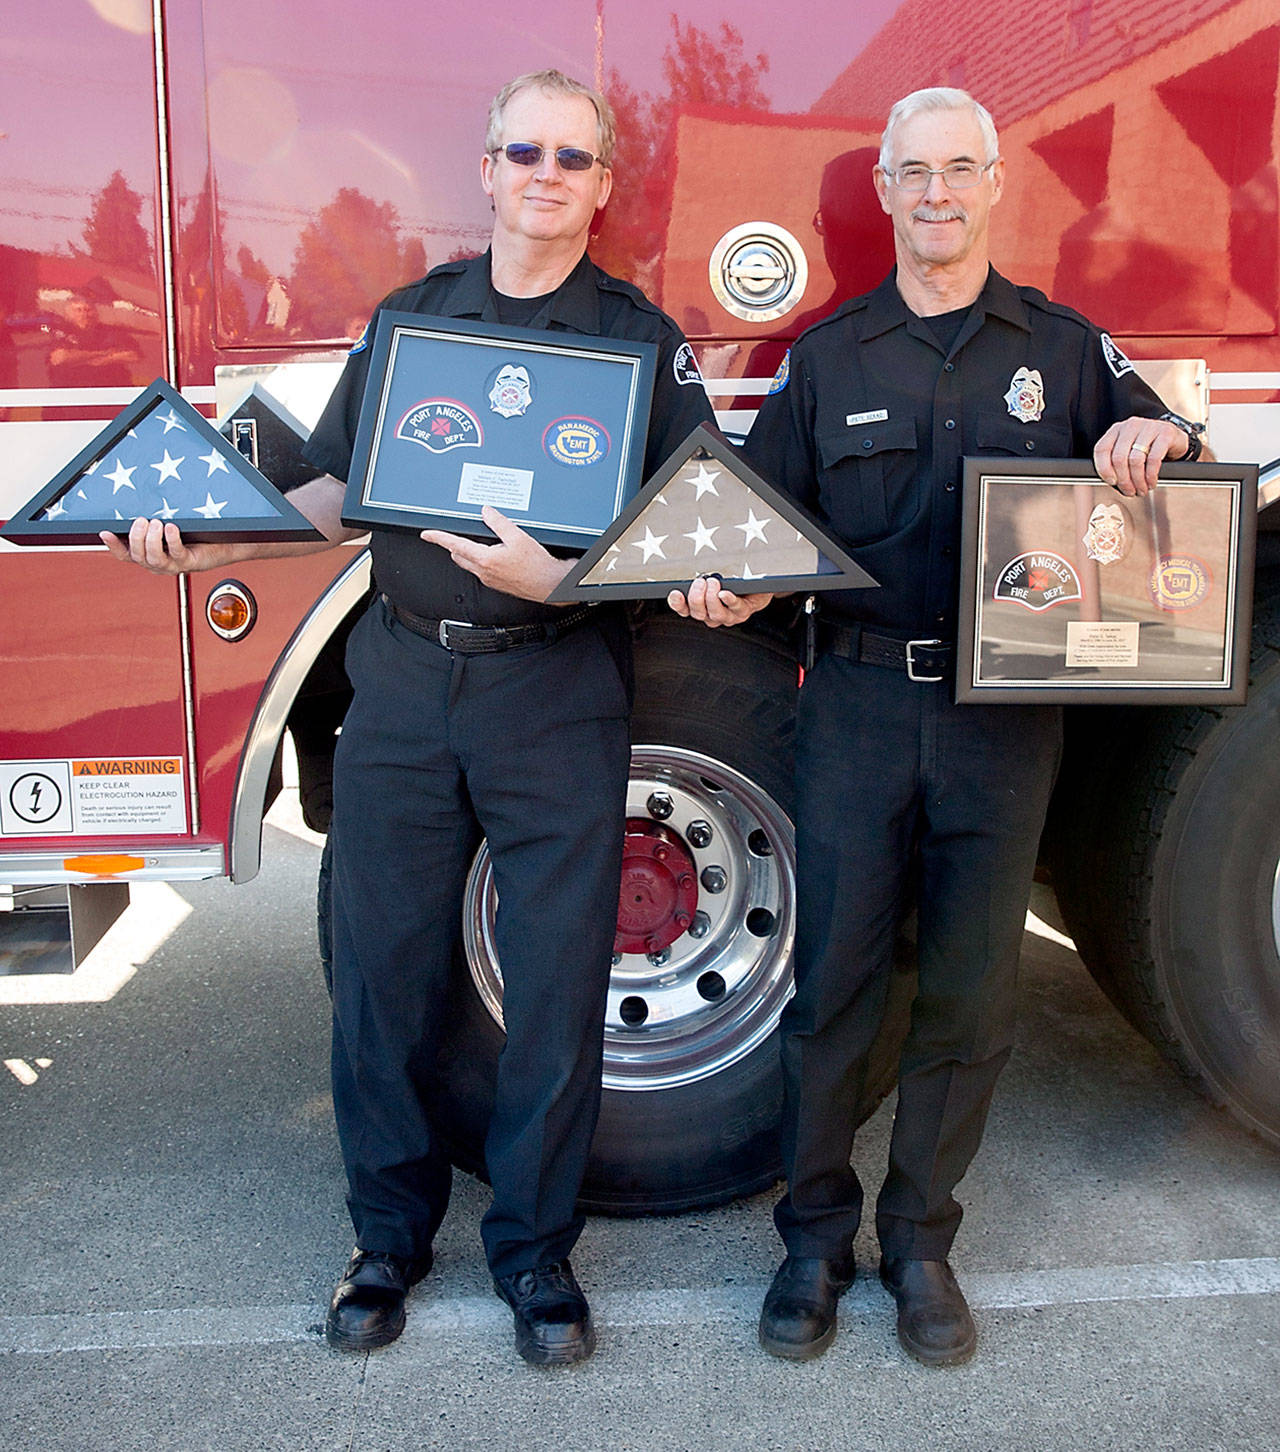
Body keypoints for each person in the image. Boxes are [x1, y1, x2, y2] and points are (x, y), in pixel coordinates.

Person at [102, 68, 713, 1366]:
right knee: (379, 977)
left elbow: (694, 527)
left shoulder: (643, 341)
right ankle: (386, 1240)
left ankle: (538, 1260)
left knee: (552, 987)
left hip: (554, 684)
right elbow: (331, 492)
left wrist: (571, 578)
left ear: (603, 185)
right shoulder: (411, 322)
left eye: (572, 156)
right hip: (402, 684)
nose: (545, 173)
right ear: (488, 172)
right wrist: (208, 545)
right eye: (523, 152)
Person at [672, 86, 1204, 1366]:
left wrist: (1158, 433)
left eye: (958, 169)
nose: (936, 194)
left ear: (994, 182)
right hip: (852, 705)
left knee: (970, 992)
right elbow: (763, 532)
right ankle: (812, 1244)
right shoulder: (828, 354)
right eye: (912, 173)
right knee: (830, 991)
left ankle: (918, 1243)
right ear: (885, 193)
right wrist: (721, 582)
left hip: (1001, 721)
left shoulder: (1067, 350)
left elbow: (1182, 456)